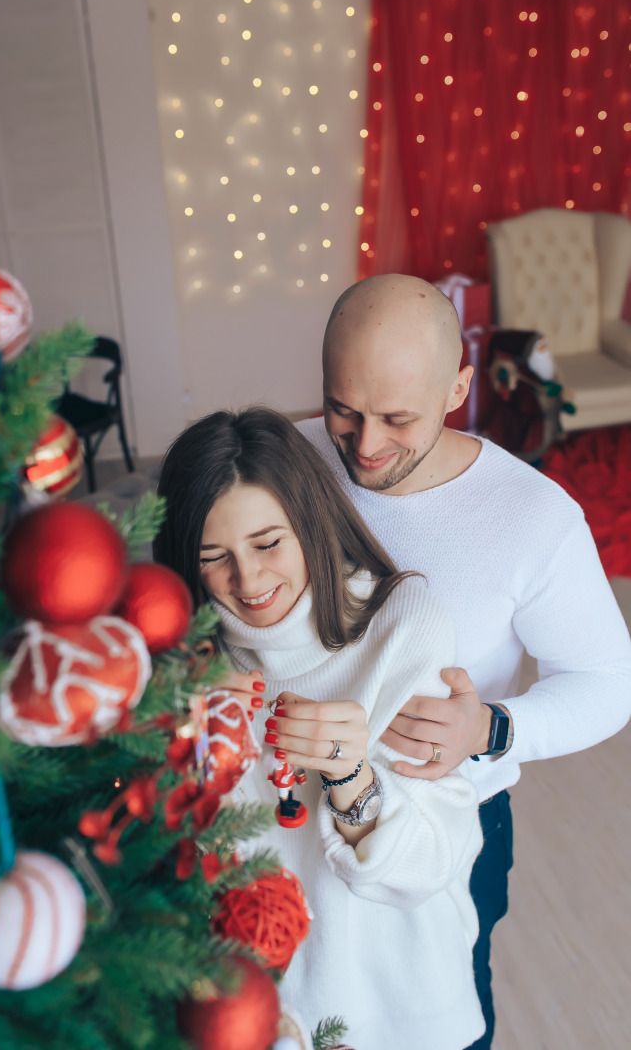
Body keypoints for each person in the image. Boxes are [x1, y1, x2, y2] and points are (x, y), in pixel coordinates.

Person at [297, 273, 631, 1049]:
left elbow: (609, 683)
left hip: (447, 831)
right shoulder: (293, 458)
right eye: (342, 408)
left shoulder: (534, 516)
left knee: (443, 1025)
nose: (365, 444)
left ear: (457, 387)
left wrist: (489, 725)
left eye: (396, 418)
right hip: (302, 811)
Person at [154, 406, 486, 1050]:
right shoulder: (190, 669)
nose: (248, 581)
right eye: (212, 556)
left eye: (267, 543)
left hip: (407, 1011)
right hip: (272, 1022)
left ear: (310, 521)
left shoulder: (403, 627)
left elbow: (425, 868)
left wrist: (350, 775)